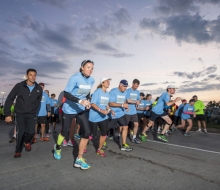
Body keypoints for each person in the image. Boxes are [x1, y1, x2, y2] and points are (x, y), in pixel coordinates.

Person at [53, 60, 95, 170]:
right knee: (64, 131)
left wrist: (87, 101)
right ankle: (57, 147)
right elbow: (66, 93)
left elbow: (87, 93)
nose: (90, 70)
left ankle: (79, 159)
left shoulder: (92, 80)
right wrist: (79, 101)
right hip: (69, 109)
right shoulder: (74, 77)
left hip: (80, 110)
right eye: (88, 67)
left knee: (87, 132)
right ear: (82, 67)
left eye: (92, 68)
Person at [4, 69, 42, 158]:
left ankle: (27, 141)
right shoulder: (19, 86)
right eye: (31, 75)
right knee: (21, 132)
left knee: (32, 132)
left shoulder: (38, 88)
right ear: (27, 76)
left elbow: (38, 100)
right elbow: (10, 98)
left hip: (31, 114)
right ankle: (18, 150)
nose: (33, 77)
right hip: (20, 113)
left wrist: (34, 109)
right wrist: (7, 114)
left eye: (34, 75)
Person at [89, 77, 115, 157]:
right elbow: (92, 104)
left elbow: (106, 104)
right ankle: (84, 145)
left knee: (104, 133)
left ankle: (99, 149)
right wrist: (101, 110)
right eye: (106, 81)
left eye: (109, 82)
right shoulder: (97, 92)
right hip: (94, 117)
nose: (108, 83)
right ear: (102, 83)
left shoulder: (107, 94)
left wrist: (110, 110)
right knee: (91, 134)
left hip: (103, 117)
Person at [108, 80, 133, 151]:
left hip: (121, 113)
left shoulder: (125, 92)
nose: (125, 88)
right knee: (106, 128)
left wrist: (126, 106)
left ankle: (123, 144)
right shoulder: (113, 91)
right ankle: (102, 142)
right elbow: (110, 103)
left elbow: (125, 100)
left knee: (125, 127)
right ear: (120, 85)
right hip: (113, 113)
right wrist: (122, 105)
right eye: (124, 86)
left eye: (126, 87)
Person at [125, 79, 141, 144]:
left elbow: (139, 100)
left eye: (137, 86)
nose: (136, 87)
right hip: (127, 111)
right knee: (124, 126)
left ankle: (134, 137)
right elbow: (128, 100)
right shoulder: (128, 91)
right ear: (132, 84)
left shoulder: (137, 92)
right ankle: (118, 135)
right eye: (135, 86)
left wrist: (138, 102)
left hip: (134, 111)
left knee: (136, 124)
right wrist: (135, 102)